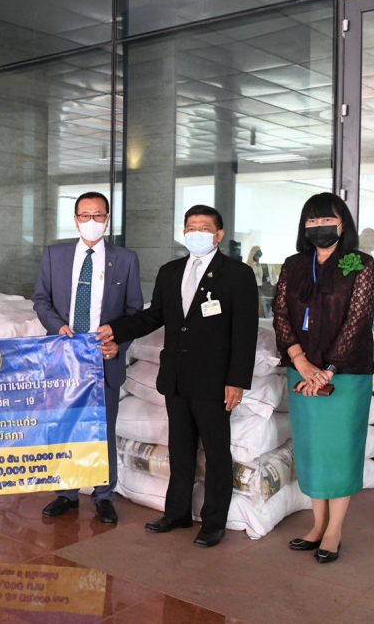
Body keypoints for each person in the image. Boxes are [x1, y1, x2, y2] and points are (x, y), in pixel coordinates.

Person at [96, 205, 257, 548]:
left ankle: (213, 522)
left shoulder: (237, 275)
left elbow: (245, 333)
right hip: (176, 377)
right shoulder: (170, 272)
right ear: (184, 233)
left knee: (216, 452)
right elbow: (154, 316)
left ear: (219, 235)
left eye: (204, 228)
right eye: (191, 227)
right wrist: (116, 329)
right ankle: (177, 512)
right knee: (180, 449)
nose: (196, 232)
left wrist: (237, 381)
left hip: (214, 381)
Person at [272, 192, 374, 564]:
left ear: (342, 224)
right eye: (312, 221)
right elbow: (281, 314)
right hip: (301, 372)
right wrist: (300, 362)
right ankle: (317, 525)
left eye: (327, 220)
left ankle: (335, 530)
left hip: (345, 375)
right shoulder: (294, 264)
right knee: (312, 448)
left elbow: (357, 321)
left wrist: (327, 369)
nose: (320, 227)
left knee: (340, 450)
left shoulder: (359, 264)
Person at [31, 191, 143, 525]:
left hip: (102, 358)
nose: (91, 221)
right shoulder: (55, 255)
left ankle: (104, 496)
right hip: (64, 355)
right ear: (75, 219)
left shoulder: (125, 259)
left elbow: (134, 310)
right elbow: (41, 300)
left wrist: (118, 343)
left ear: (107, 219)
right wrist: (58, 327)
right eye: (85, 215)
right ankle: (65, 493)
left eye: (98, 215)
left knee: (101, 429)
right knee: (64, 426)